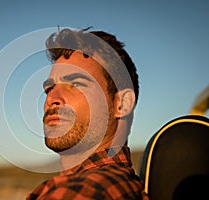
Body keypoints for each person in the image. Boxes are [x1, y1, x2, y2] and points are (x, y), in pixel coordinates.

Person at [27, 28, 148, 199]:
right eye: (49, 88)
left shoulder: (88, 189)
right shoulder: (118, 186)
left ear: (123, 104)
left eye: (76, 84)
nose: (52, 98)